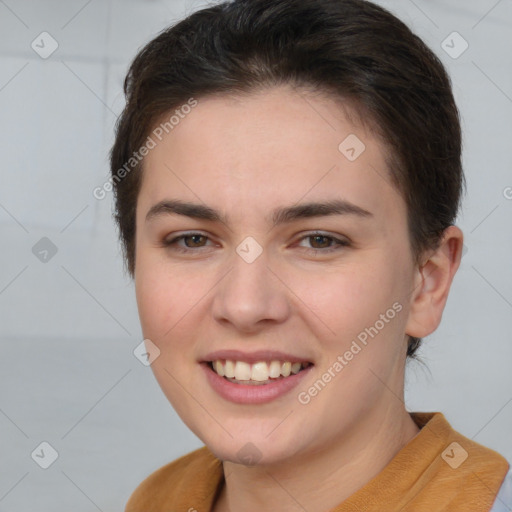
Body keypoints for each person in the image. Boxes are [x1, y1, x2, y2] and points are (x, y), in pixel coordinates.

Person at [109, 0, 512, 510]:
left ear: (426, 282)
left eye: (319, 240)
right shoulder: (158, 500)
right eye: (192, 239)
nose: (245, 305)